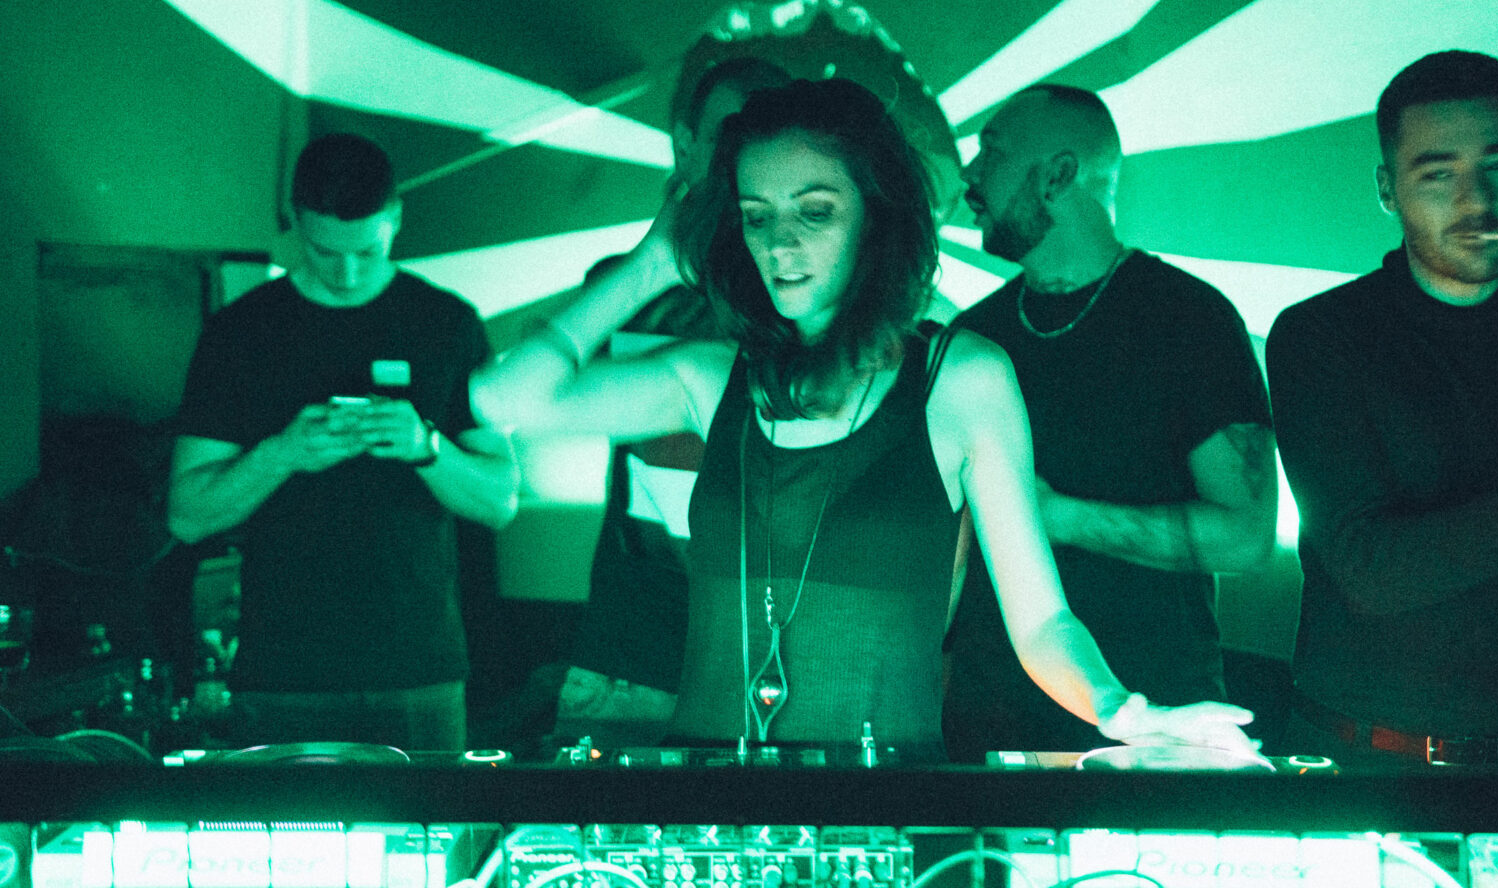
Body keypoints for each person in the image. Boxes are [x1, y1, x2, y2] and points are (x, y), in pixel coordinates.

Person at [472, 78, 1257, 761]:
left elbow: (1042, 620)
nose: (780, 242)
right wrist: (650, 262)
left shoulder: (963, 377)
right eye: (755, 216)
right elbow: (503, 400)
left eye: (814, 211)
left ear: (874, 217)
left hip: (886, 802)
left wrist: (1125, 712)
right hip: (711, 804)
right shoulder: (708, 378)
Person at [943, 84, 1277, 760]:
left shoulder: (1188, 319)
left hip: (1155, 715)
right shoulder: (974, 337)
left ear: (1058, 174)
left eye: (992, 153)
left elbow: (1246, 538)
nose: (970, 176)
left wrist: (1057, 516)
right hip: (987, 717)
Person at [167, 132, 519, 752]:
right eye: (325, 252)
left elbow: (500, 500)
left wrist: (426, 446)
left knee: (434, 814)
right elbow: (187, 516)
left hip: (419, 668)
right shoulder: (240, 333)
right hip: (284, 673)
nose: (348, 274)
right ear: (297, 223)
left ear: (395, 218)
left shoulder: (446, 323)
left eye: (368, 250)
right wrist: (283, 452)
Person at [1266, 50, 1498, 769]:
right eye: (1439, 174)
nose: (1478, 200)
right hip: (1356, 758)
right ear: (1388, 189)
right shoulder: (1320, 335)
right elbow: (1372, 571)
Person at [554, 57, 791, 748]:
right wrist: (653, 262)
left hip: (773, 656)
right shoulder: (625, 284)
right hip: (630, 653)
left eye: (767, 140)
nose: (744, 158)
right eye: (729, 135)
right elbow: (522, 396)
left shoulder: (810, 292)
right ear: (685, 143)